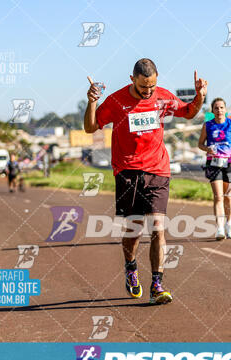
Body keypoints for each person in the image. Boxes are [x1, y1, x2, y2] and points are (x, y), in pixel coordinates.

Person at [84, 58, 207, 305]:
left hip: (157, 169)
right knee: (134, 230)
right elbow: (90, 127)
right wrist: (92, 101)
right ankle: (131, 266)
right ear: (132, 80)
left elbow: (188, 113)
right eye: (143, 87)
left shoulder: (162, 96)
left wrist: (200, 96)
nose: (148, 91)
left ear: (157, 78)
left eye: (151, 86)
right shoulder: (117, 101)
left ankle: (157, 285)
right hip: (127, 171)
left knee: (158, 228)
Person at [198, 98, 231, 240]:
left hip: (230, 163)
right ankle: (219, 228)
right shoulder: (207, 125)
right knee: (218, 196)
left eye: (221, 108)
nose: (219, 110)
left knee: (228, 196)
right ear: (212, 111)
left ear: (225, 109)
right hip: (214, 163)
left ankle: (229, 224)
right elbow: (200, 144)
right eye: (216, 108)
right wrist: (207, 148)